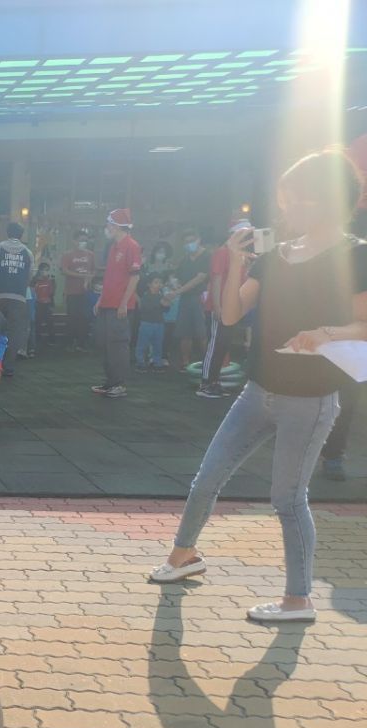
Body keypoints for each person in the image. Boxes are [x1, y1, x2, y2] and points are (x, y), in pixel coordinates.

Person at [150, 148, 367, 622]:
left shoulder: (355, 254)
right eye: (287, 197)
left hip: (310, 398)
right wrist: (235, 264)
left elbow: (364, 325)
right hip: (258, 390)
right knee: (207, 477)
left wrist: (326, 333)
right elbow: (230, 315)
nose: (289, 207)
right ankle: (183, 556)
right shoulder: (277, 255)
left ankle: (298, 600)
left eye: (300, 198)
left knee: (287, 499)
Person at [91, 209, 142, 399]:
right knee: (105, 344)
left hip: (120, 306)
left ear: (117, 226)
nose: (107, 227)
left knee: (118, 344)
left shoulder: (132, 246)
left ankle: (119, 384)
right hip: (107, 303)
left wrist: (124, 303)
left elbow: (135, 277)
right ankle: (110, 382)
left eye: (109, 224)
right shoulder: (113, 246)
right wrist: (100, 299)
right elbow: (110, 277)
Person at [199, 221, 250, 399]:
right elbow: (217, 279)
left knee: (223, 345)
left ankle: (214, 381)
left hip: (232, 307)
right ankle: (206, 383)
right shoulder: (222, 252)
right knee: (215, 345)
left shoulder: (240, 254)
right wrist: (217, 306)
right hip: (220, 307)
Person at [0, 223, 33, 376]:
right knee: (15, 332)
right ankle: (8, 366)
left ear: (7, 233)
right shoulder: (28, 253)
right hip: (18, 298)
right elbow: (29, 276)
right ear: (21, 235)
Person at [169, 227, 211, 370]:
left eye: (192, 241)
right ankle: (185, 363)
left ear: (199, 240)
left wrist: (178, 291)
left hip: (201, 298)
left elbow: (200, 278)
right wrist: (174, 282)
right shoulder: (184, 259)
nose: (189, 244)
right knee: (184, 333)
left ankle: (208, 362)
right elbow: (176, 276)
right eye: (186, 242)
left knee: (202, 333)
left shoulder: (207, 256)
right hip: (185, 299)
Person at [60, 230, 96, 351]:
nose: (83, 243)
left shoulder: (91, 255)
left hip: (85, 292)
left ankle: (82, 343)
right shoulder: (67, 255)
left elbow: (93, 270)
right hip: (72, 292)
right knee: (72, 317)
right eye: (81, 240)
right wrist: (82, 276)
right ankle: (69, 342)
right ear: (74, 241)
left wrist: (89, 279)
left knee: (84, 317)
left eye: (85, 240)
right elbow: (64, 270)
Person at [134, 274, 170, 372]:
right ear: (149, 284)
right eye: (156, 282)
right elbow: (145, 308)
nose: (159, 285)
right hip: (146, 323)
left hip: (159, 324)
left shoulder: (162, 296)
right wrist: (161, 304)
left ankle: (157, 362)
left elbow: (166, 310)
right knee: (142, 344)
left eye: (160, 283)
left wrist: (166, 305)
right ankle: (140, 362)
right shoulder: (146, 296)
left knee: (158, 344)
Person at [31, 261, 57, 351]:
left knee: (50, 322)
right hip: (37, 303)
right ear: (39, 270)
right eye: (43, 270)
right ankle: (37, 339)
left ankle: (52, 339)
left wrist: (52, 281)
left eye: (46, 270)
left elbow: (52, 292)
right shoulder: (35, 280)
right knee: (37, 322)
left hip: (47, 304)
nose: (44, 272)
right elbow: (33, 291)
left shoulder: (51, 280)